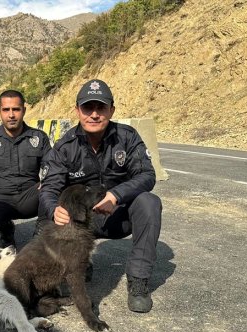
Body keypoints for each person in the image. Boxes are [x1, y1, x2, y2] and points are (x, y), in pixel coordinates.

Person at [38, 79, 162, 313]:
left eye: (101, 108)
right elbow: (49, 187)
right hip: (80, 223)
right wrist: (55, 207)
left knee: (149, 202)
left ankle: (138, 281)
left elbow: (147, 175)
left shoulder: (127, 137)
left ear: (111, 110)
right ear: (77, 111)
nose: (94, 114)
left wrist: (116, 195)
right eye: (88, 108)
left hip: (117, 216)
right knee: (46, 209)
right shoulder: (65, 146)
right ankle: (70, 268)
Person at [0, 90, 51, 248]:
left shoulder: (39, 137)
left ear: (24, 110)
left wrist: (48, 182)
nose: (11, 115)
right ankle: (5, 228)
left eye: (16, 109)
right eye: (6, 110)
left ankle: (40, 236)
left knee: (56, 192)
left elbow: (52, 166)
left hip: (29, 196)